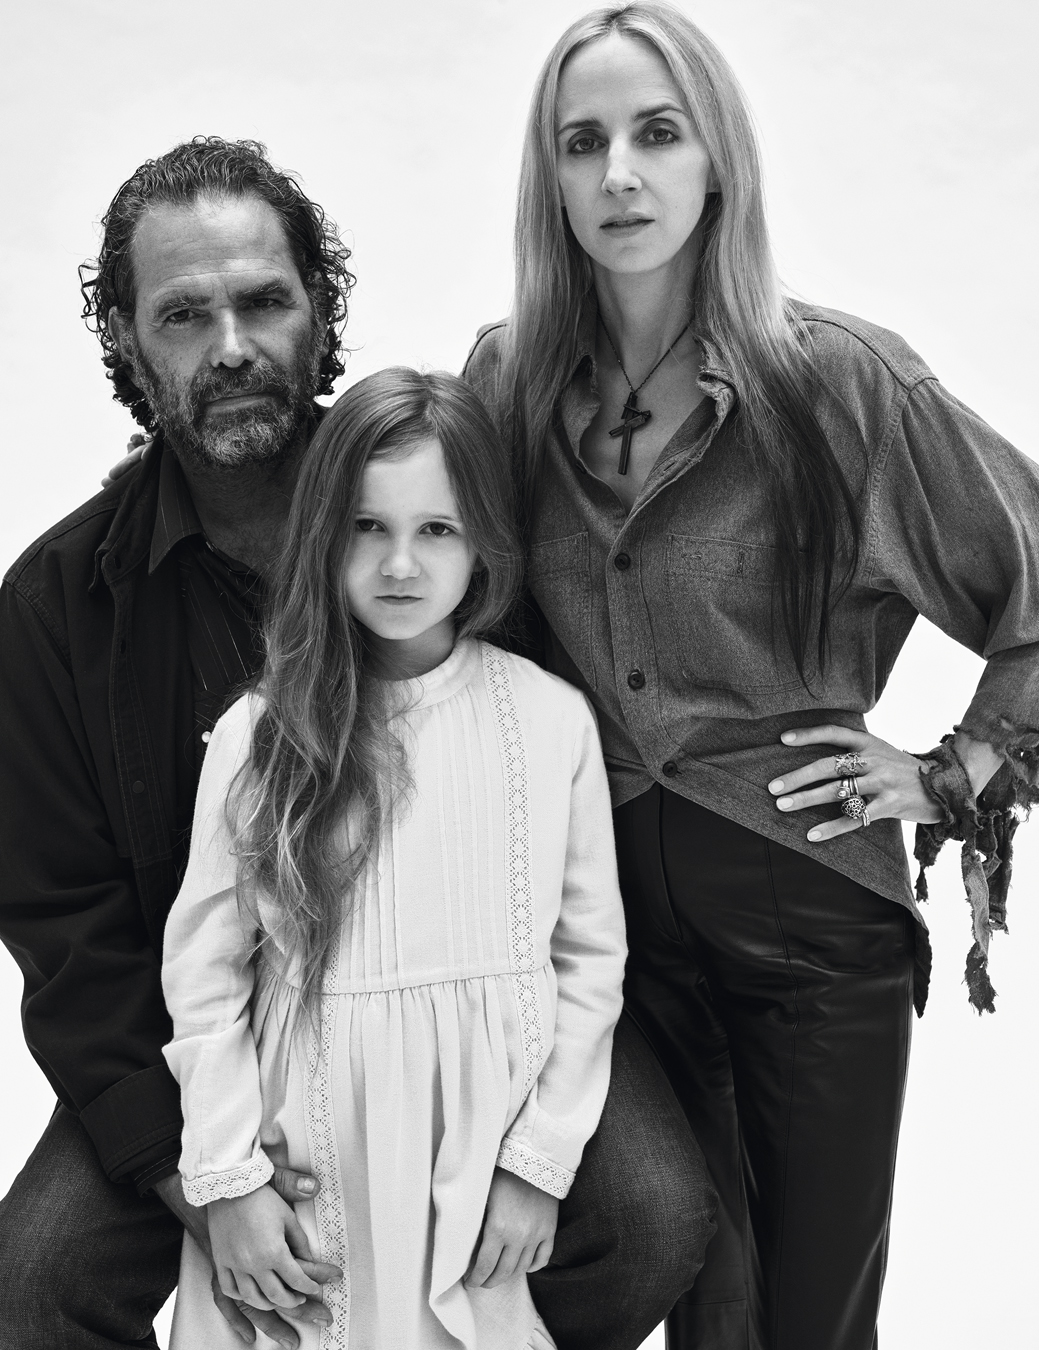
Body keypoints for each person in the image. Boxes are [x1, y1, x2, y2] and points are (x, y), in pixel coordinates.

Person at [0, 136, 713, 1350]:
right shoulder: (62, 603)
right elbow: (70, 934)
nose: (231, 345)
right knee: (34, 1279)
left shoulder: (445, 499)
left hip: (478, 1001)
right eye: (183, 315)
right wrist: (206, 1181)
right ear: (125, 341)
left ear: (317, 310)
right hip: (213, 1036)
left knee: (651, 1214)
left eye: (264, 301)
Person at [461, 5, 1039, 1349]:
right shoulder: (507, 383)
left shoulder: (834, 380)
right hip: (605, 930)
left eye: (655, 135)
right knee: (690, 1296)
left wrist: (950, 770)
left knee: (801, 1326)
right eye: (580, 142)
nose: (617, 176)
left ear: (714, 159)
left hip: (804, 914)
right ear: (545, 177)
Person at [161, 366, 627, 1350]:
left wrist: (536, 1165)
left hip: (472, 1179)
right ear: (323, 535)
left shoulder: (546, 722)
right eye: (367, 528)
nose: (400, 565)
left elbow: (589, 965)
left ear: (484, 543)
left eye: (436, 530)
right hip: (309, 1160)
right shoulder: (262, 735)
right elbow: (205, 980)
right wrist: (232, 1181)